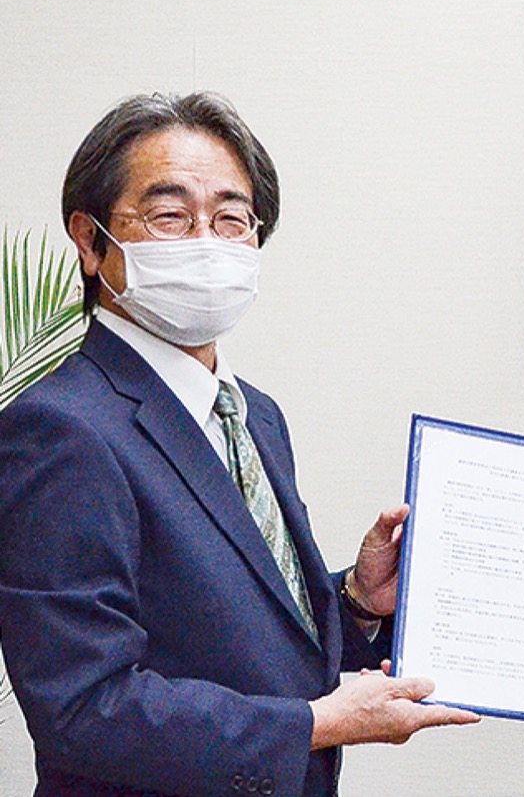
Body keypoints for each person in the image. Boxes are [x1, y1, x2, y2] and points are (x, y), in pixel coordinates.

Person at [0, 92, 479, 796]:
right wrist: (316, 724)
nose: (206, 241)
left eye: (231, 219)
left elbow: (249, 642)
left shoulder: (255, 414)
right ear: (91, 240)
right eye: (170, 216)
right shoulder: (60, 428)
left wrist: (356, 599)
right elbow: (83, 706)